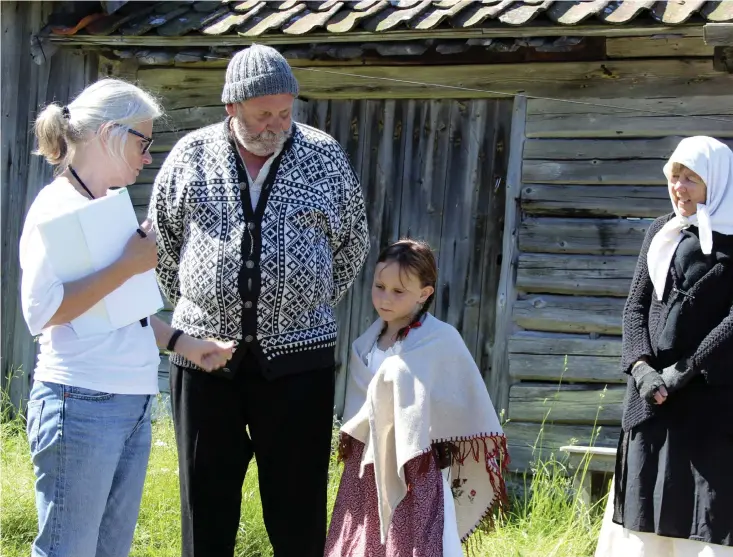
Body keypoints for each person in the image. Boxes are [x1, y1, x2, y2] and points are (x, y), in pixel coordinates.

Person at [149, 44, 369, 557]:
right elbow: (162, 242)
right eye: (262, 113)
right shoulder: (191, 154)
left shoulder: (323, 156)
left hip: (299, 361)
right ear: (232, 107)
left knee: (297, 511)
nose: (276, 124)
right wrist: (200, 307)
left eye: (285, 112)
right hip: (202, 361)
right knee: (206, 507)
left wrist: (298, 305)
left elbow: (351, 243)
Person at [20, 79, 234, 557]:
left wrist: (182, 342)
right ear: (107, 134)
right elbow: (41, 312)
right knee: (67, 551)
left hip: (128, 403)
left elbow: (121, 314)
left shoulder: (102, 207)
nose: (147, 156)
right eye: (143, 141)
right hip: (80, 402)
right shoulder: (56, 208)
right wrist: (127, 265)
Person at [325, 239, 508, 556]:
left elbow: (457, 401)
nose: (385, 298)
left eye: (399, 291)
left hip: (417, 469)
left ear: (425, 293)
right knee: (360, 540)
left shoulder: (441, 340)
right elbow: (360, 411)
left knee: (411, 542)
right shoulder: (365, 345)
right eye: (380, 286)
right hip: (365, 468)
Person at [595, 136, 733, 557]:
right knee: (646, 520)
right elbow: (635, 308)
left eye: (691, 178)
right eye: (674, 176)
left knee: (705, 520)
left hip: (710, 405)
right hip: (652, 402)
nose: (679, 187)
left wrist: (684, 371)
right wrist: (641, 369)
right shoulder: (660, 231)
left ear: (718, 180)